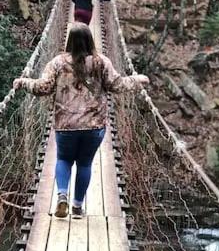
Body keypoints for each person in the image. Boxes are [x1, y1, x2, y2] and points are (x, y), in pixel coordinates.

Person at [13, 24, 148, 218]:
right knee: (84, 164)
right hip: (94, 126)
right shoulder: (101, 63)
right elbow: (117, 85)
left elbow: (42, 88)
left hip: (65, 125)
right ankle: (77, 207)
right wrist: (138, 79)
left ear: (69, 41)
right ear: (90, 40)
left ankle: (61, 195)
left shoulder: (57, 63)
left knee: (63, 159)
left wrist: (23, 82)